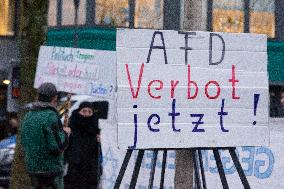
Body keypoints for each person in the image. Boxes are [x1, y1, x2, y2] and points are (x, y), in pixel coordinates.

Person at [21, 82, 71, 189]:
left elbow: (24, 141)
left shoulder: (28, 115)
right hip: (50, 170)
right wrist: (66, 133)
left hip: (33, 167)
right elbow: (57, 146)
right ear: (54, 98)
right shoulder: (50, 116)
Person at [64, 101, 101, 189]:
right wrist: (65, 135)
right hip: (74, 168)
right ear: (79, 112)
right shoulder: (72, 127)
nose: (87, 114)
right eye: (84, 111)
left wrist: (100, 142)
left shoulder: (96, 130)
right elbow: (63, 147)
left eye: (89, 112)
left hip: (90, 170)